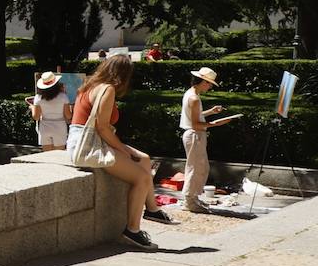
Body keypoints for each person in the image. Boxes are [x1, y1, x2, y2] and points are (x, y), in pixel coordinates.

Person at [67, 54, 172, 250]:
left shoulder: (89, 84)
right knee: (141, 177)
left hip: (80, 141)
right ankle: (132, 231)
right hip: (90, 146)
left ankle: (152, 208)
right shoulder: (107, 89)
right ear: (123, 75)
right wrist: (122, 149)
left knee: (145, 159)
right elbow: (103, 128)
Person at [180, 66, 229, 212]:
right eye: (208, 83)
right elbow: (195, 123)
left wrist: (211, 112)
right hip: (195, 134)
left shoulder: (191, 94)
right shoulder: (194, 97)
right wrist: (215, 124)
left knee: (200, 167)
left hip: (195, 134)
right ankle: (189, 200)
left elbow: (196, 116)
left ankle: (193, 198)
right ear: (202, 82)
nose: (209, 86)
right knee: (195, 168)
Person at [29, 72, 71, 151]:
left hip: (45, 126)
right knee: (59, 155)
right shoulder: (63, 97)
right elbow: (68, 116)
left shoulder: (38, 98)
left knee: (47, 156)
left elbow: (36, 117)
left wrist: (32, 108)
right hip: (60, 126)